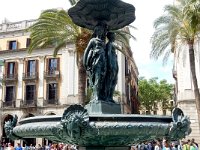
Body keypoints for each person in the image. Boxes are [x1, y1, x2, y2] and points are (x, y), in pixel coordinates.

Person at [83, 24, 107, 101]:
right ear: (96, 31)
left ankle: (101, 95)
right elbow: (87, 50)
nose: (100, 32)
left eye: (102, 30)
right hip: (96, 61)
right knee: (97, 78)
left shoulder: (103, 42)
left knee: (102, 79)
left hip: (103, 61)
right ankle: (96, 95)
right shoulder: (93, 40)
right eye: (99, 30)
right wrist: (85, 62)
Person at [105, 32, 119, 102]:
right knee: (110, 81)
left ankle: (110, 97)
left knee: (114, 81)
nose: (114, 37)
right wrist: (110, 64)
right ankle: (108, 97)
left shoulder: (111, 44)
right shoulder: (109, 44)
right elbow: (108, 54)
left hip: (114, 64)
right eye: (114, 36)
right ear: (110, 37)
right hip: (112, 64)